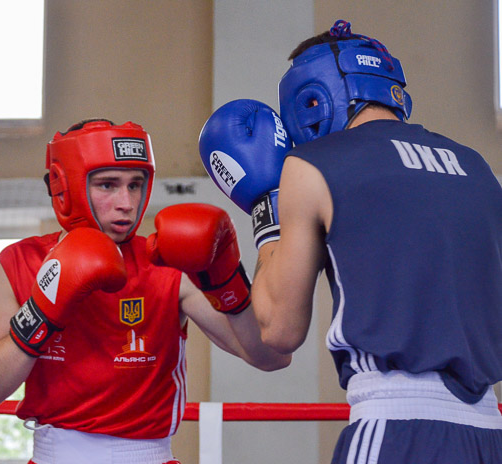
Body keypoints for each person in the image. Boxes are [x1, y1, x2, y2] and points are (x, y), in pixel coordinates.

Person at [198, 19, 502, 464]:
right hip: (488, 431)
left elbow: (279, 330)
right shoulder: (478, 169)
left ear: (310, 103)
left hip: (395, 429)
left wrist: (268, 207)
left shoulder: (313, 164)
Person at [0, 118, 290, 464]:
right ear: (65, 188)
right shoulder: (21, 262)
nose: (127, 203)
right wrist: (43, 309)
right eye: (108, 185)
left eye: (135, 185)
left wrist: (226, 281)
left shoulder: (166, 263)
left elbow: (270, 357)